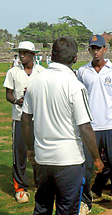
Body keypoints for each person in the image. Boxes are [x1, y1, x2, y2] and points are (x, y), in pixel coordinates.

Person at [21, 36, 104, 215]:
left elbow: (26, 118)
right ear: (75, 58)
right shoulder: (75, 86)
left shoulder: (35, 81)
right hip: (69, 161)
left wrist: (30, 147)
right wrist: (96, 158)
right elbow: (85, 127)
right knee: (66, 209)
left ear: (51, 55)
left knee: (42, 207)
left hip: (42, 157)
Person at [77, 35, 112, 215]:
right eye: (93, 48)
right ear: (89, 50)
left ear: (105, 49)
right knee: (87, 166)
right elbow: (79, 97)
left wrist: (110, 112)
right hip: (90, 128)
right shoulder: (83, 71)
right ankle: (85, 202)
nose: (96, 51)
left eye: (99, 48)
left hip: (110, 126)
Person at [3, 41, 45, 203]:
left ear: (33, 55)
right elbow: (9, 94)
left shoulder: (41, 72)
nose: (22, 55)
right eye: (20, 52)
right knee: (19, 153)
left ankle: (41, 183)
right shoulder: (13, 72)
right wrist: (17, 101)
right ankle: (20, 188)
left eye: (26, 53)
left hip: (38, 119)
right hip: (19, 119)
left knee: (40, 152)